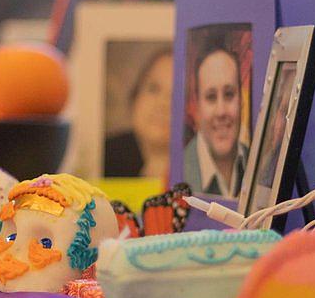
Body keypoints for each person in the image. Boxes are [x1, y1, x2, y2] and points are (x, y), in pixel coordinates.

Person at [183, 41, 248, 198]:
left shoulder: (260, 167)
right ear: (197, 107)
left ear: (242, 101)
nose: (221, 111)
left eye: (229, 94)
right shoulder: (178, 173)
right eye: (211, 97)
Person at [104, 50, 173, 178]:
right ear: (135, 96)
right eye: (153, 89)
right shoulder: (107, 152)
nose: (163, 104)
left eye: (176, 95)